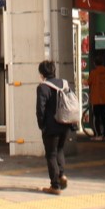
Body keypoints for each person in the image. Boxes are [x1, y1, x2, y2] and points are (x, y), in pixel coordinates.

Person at [35, 59, 71, 194]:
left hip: (51, 127)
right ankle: (62, 175)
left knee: (51, 154)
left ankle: (55, 186)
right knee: (60, 150)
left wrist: (41, 125)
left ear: (42, 73)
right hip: (65, 123)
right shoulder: (64, 83)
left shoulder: (42, 87)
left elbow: (40, 109)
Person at [88, 52, 105, 141]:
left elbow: (88, 82)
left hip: (96, 99)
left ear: (95, 63)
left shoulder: (93, 73)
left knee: (96, 117)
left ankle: (98, 134)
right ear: (103, 63)